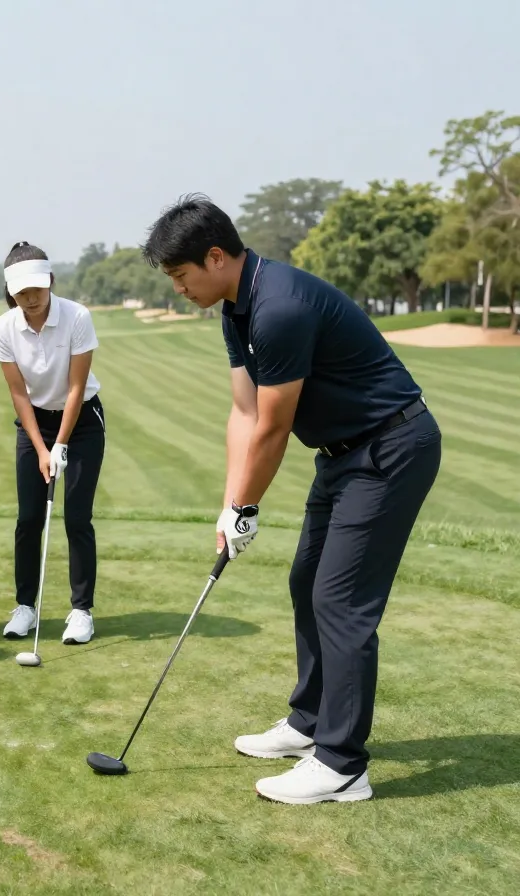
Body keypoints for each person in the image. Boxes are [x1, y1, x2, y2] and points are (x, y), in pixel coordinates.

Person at [141, 194, 442, 805]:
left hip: (389, 449)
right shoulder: (236, 307)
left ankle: (342, 764)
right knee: (307, 580)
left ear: (216, 256)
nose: (178, 289)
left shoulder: (278, 307)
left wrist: (249, 506)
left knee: (342, 600)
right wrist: (232, 505)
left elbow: (274, 429)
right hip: (340, 456)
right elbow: (244, 411)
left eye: (180, 276)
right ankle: (310, 724)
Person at [0, 241, 106, 647]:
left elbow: (76, 386)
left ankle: (81, 611)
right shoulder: (4, 327)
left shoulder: (77, 316)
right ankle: (25, 606)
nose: (31, 298)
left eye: (37, 288)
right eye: (22, 291)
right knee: (28, 519)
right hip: (34, 422)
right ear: (10, 292)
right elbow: (19, 393)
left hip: (82, 420)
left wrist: (61, 443)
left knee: (76, 517)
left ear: (51, 282)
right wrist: (42, 448)